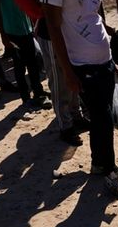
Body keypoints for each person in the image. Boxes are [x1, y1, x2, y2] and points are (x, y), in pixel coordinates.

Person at [39, 0, 118, 198]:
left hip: (103, 60)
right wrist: (68, 72)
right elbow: (53, 27)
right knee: (103, 118)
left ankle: (99, 163)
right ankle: (110, 174)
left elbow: (93, 16)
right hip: (81, 63)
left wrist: (110, 59)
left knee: (100, 119)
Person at [35, 16, 87, 144]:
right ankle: (65, 127)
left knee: (74, 78)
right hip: (51, 36)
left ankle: (75, 115)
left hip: (69, 34)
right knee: (59, 82)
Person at [0, 0, 51, 108]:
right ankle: (25, 97)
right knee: (19, 65)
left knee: (33, 63)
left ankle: (38, 92)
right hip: (12, 30)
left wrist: (33, 25)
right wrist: (3, 35)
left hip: (26, 29)